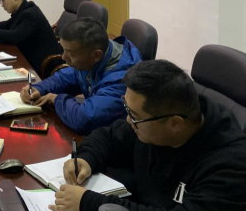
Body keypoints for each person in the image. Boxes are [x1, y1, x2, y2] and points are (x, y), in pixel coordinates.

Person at [52, 60, 246, 211]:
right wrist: (86, 158)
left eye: (134, 116)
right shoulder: (153, 122)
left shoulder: (230, 169)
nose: (128, 120)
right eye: (127, 108)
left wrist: (89, 203)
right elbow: (108, 136)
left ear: (175, 124)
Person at [20, 18, 141, 135]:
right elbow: (64, 78)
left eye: (71, 53)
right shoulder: (94, 55)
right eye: (64, 50)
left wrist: (56, 99)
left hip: (116, 138)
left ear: (97, 55)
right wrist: (39, 89)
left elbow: (84, 120)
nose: (64, 57)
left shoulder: (122, 80)